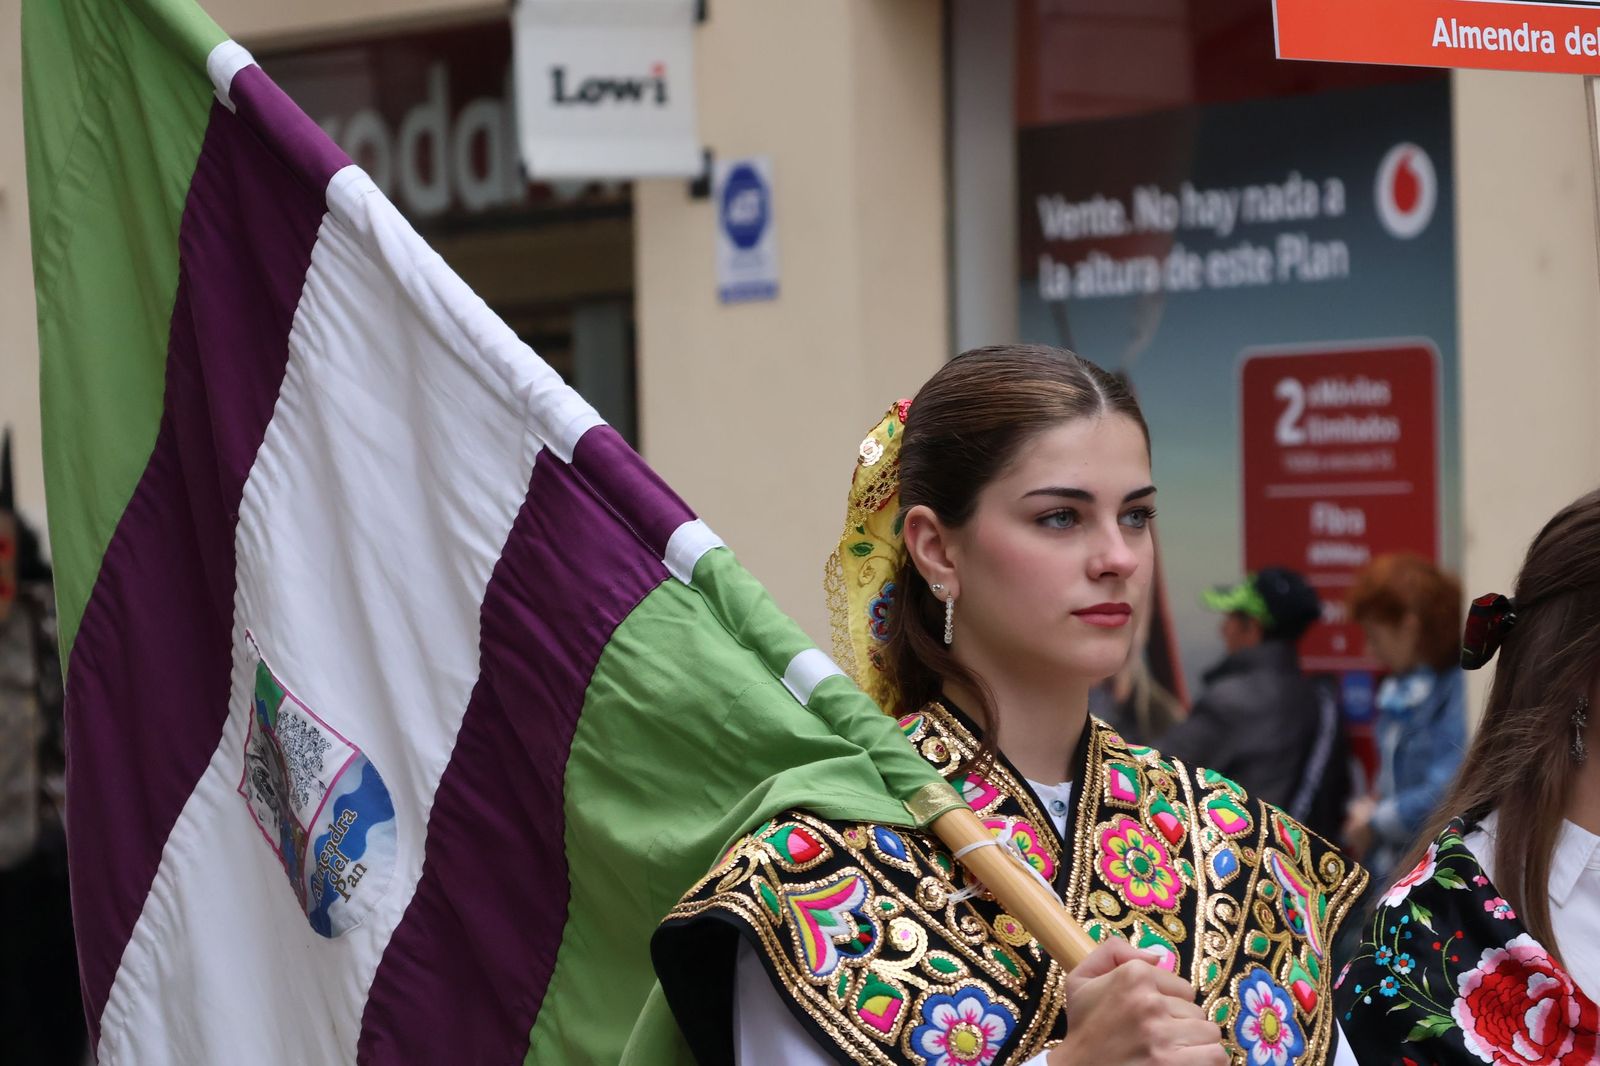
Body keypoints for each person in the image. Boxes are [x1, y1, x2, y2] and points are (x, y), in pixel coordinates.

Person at [653, 346, 1367, 1065]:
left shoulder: (1239, 842)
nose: (1117, 556)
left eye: (1137, 516)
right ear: (936, 550)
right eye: (1061, 517)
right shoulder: (813, 870)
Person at [1336, 489, 1600, 1063]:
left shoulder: (1434, 692)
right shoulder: (1433, 931)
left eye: (1376, 628)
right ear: (1581, 670)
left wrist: (1377, 815)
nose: (1370, 646)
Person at [1158, 568, 1350, 839]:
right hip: (1296, 864)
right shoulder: (1320, 701)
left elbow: (1157, 775)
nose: (1223, 628)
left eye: (1233, 618)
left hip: (1239, 861)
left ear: (1253, 628)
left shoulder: (1229, 701)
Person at [1341, 554, 1466, 887]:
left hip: (1433, 874)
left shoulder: (1458, 687)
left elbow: (1449, 791)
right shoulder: (1401, 687)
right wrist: (1374, 806)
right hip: (1395, 867)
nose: (1370, 650)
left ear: (1410, 626)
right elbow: (1391, 780)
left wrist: (1375, 822)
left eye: (1374, 635)